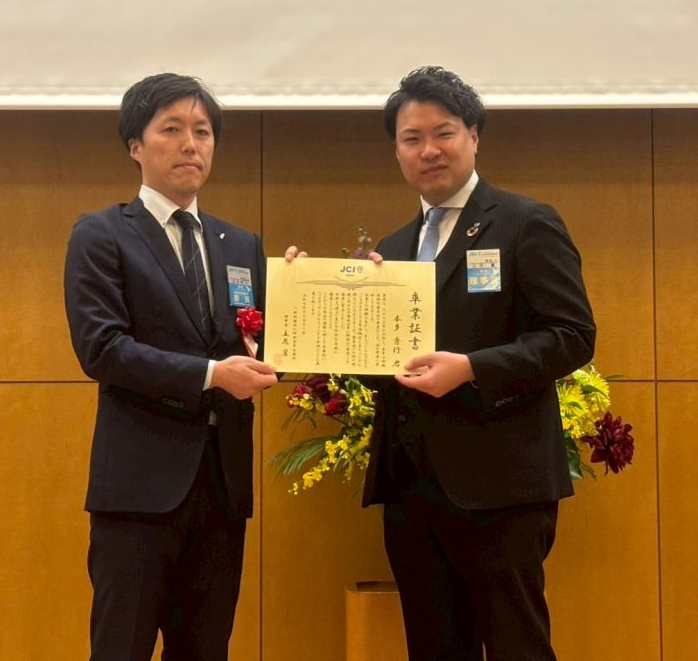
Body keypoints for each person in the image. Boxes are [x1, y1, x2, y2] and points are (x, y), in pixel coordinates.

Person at [288, 66, 596, 660]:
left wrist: (472, 367)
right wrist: (306, 292)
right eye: (412, 138)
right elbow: (378, 364)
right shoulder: (393, 248)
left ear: (474, 136)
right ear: (397, 151)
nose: (428, 150)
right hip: (412, 487)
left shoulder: (525, 222)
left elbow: (573, 336)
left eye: (443, 133)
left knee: (517, 646)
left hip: (501, 487)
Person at [64, 73, 278, 661]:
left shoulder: (241, 244)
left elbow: (263, 345)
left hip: (222, 488)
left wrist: (306, 288)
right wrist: (211, 375)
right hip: (139, 491)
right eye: (172, 129)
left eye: (203, 132)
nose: (191, 144)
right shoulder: (103, 234)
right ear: (135, 145)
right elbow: (102, 348)